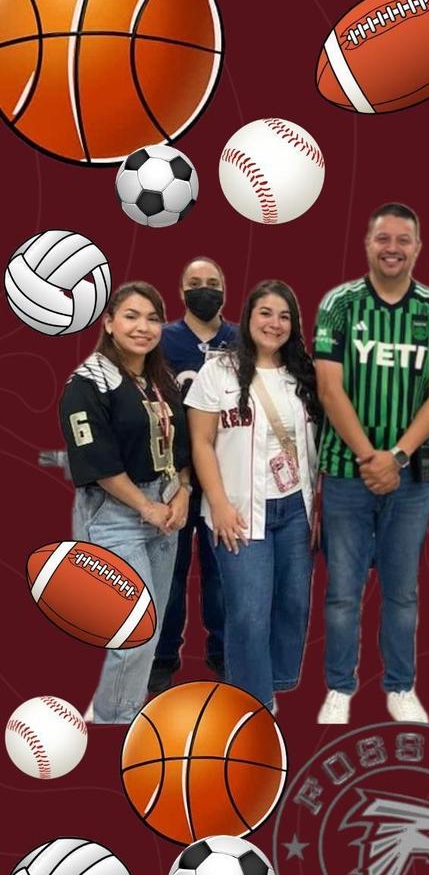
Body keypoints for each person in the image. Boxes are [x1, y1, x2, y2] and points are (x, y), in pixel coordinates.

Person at [313, 202, 429, 724]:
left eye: (404, 239)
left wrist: (395, 457)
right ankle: (339, 688)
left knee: (402, 592)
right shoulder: (340, 304)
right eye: (383, 238)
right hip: (347, 474)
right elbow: (330, 388)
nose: (393, 247)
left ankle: (400, 686)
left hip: (412, 478)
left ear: (418, 248)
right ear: (368, 244)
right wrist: (368, 458)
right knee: (342, 594)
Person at [59, 282, 191, 724]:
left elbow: (183, 448)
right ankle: (114, 723)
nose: (144, 327)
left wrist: (183, 493)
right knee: (133, 633)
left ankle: (123, 710)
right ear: (109, 323)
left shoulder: (159, 379)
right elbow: (97, 462)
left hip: (165, 510)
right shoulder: (88, 382)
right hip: (116, 514)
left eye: (153, 318)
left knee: (148, 634)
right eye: (132, 316)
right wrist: (146, 506)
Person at [185, 280, 319, 711]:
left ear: (293, 325)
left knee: (294, 601)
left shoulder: (304, 373)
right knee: (247, 610)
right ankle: (254, 699)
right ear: (248, 317)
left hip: (295, 508)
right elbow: (202, 442)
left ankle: (277, 676)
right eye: (265, 312)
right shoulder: (218, 371)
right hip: (239, 509)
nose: (274, 323)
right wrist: (219, 504)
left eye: (284, 316)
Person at [148, 256, 237, 694]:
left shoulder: (241, 339)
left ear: (225, 289)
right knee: (171, 571)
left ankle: (223, 652)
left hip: (228, 476)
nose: (205, 289)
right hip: (172, 477)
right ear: (181, 291)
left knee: (223, 572)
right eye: (195, 282)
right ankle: (162, 657)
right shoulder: (160, 340)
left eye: (213, 282)